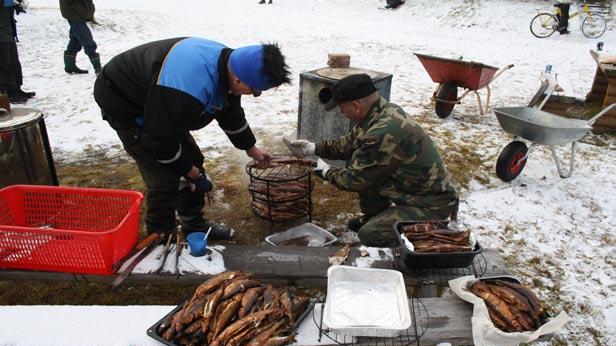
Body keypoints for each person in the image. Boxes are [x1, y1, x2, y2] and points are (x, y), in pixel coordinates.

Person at [93, 38, 291, 239]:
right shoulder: (188, 86)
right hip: (124, 100)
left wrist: (250, 147)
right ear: (239, 79)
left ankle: (193, 226)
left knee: (192, 160)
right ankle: (160, 236)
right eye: (254, 89)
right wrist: (191, 173)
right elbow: (159, 140)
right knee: (164, 176)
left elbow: (229, 111)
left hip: (161, 101)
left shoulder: (231, 63)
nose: (255, 95)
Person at [285, 74, 458, 247]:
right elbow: (348, 144)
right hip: (412, 191)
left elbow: (354, 180)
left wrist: (326, 171)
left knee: (371, 234)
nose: (342, 114)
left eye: (341, 108)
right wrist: (314, 148)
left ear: (355, 106)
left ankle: (424, 234)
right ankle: (376, 216)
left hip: (430, 205)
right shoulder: (380, 113)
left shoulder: (382, 132)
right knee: (367, 169)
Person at [0, 0, 35, 104]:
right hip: (1, 32)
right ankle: (8, 92)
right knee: (4, 62)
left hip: (7, 27)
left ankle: (16, 88)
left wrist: (16, 4)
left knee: (14, 61)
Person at [59, 0, 101, 74]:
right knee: (87, 39)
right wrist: (81, 9)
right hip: (74, 13)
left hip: (78, 12)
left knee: (76, 40)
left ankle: (70, 66)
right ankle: (98, 68)